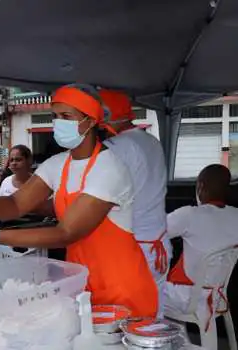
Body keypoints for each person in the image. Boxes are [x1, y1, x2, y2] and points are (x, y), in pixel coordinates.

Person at [0, 84, 158, 317]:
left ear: (90, 121)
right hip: (83, 283)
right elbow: (16, 204)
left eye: (66, 116)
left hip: (122, 288)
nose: (58, 123)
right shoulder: (58, 164)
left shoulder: (109, 169)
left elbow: (66, 233)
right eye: (55, 116)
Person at [100, 89, 170, 317]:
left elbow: (101, 195)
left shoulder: (116, 147)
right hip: (159, 245)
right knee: (154, 315)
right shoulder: (151, 141)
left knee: (130, 319)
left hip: (134, 249)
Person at [164, 164, 238, 330]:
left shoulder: (190, 215)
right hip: (219, 296)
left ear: (200, 186)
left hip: (189, 298)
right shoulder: (236, 215)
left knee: (147, 288)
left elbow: (156, 232)